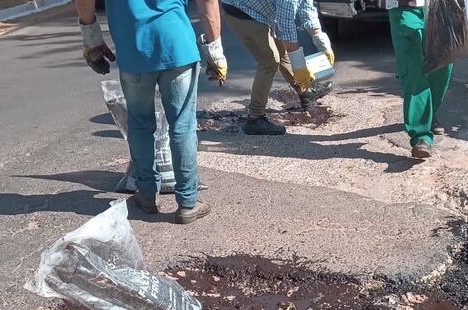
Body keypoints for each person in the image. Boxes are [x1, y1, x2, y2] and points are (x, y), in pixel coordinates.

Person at [74, 0, 226, 224]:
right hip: (177, 47)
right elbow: (208, 3)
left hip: (134, 51)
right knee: (182, 126)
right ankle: (187, 203)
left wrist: (92, 38)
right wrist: (215, 51)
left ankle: (146, 195)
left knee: (140, 123)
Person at [221, 0, 335, 135]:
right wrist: (299, 66)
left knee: (282, 52)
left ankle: (306, 91)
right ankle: (255, 119)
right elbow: (285, 27)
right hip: (241, 10)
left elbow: (306, 6)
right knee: (269, 61)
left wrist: (319, 39)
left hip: (258, 9)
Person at [384, 0, 453, 159]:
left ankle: (429, 114)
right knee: (413, 70)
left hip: (442, 10)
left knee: (443, 67)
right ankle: (421, 136)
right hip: (405, 8)